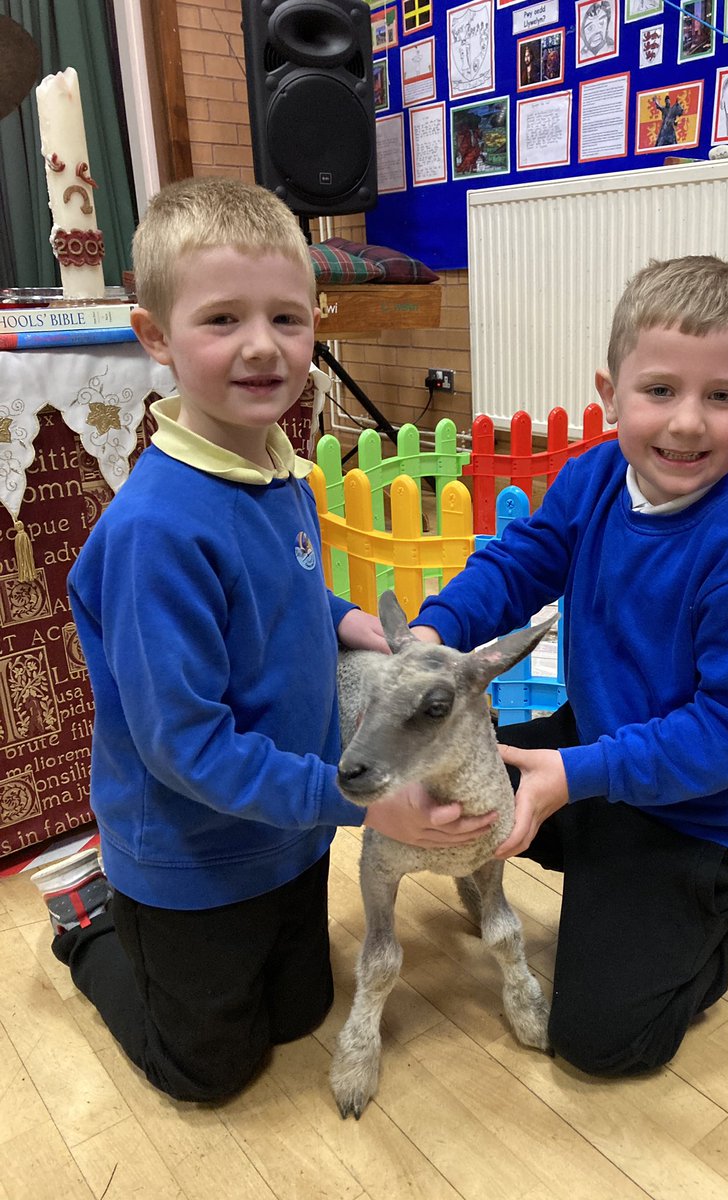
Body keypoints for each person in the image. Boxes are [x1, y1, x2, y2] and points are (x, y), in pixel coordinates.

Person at [30, 176, 496, 1104]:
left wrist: (342, 617)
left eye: (286, 317)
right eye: (221, 320)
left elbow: (280, 593)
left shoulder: (274, 467)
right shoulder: (155, 533)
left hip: (289, 829)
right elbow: (183, 744)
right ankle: (90, 922)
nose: (262, 347)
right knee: (210, 1072)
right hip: (189, 851)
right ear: (154, 336)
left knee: (301, 1013)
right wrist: (361, 806)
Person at [409, 255, 728, 1077]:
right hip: (607, 748)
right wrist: (438, 632)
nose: (686, 423)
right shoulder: (598, 476)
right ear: (610, 392)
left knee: (601, 1045)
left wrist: (574, 776)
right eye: (659, 392)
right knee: (441, 783)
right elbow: (522, 561)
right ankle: (622, 854)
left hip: (704, 811)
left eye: (720, 397)